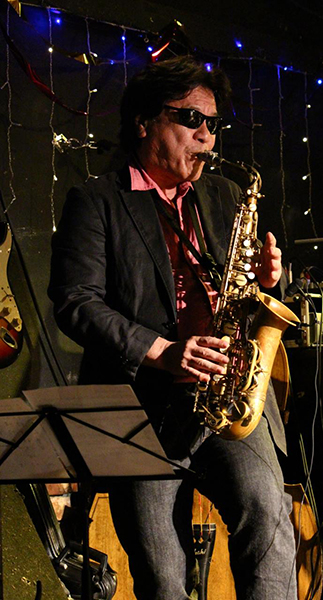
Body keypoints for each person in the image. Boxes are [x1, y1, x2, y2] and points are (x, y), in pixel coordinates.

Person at [48, 55, 297, 600]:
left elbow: (245, 295)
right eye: (191, 119)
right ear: (144, 122)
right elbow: (75, 302)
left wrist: (267, 284)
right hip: (142, 402)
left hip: (227, 392)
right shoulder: (97, 200)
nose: (207, 136)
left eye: (214, 124)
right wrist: (162, 350)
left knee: (269, 523)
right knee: (161, 572)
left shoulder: (224, 195)